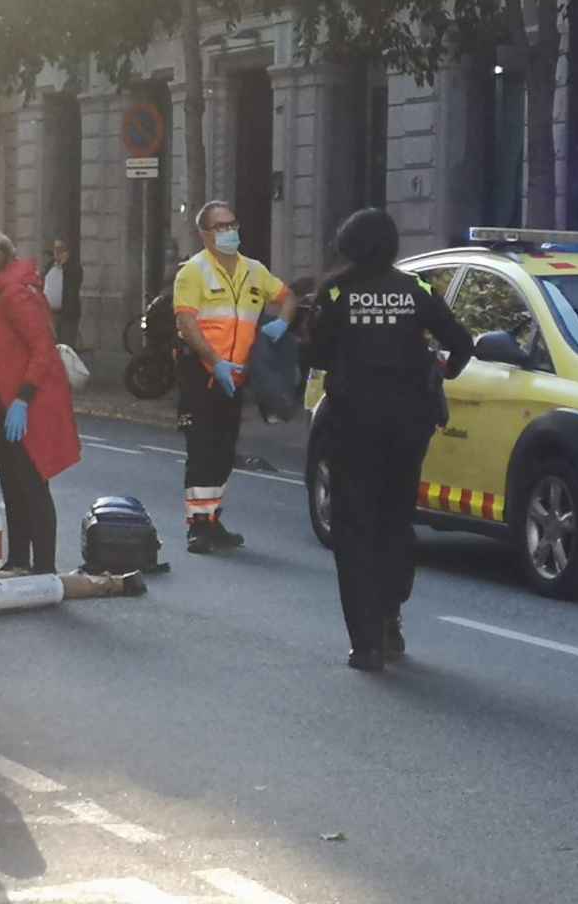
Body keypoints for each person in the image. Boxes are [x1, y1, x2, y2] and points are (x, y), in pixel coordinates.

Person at [309, 209, 473, 671]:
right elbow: (461, 344)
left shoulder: (336, 292)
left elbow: (317, 352)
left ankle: (366, 644)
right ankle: (390, 616)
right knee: (395, 521)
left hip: (352, 425)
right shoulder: (415, 290)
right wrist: (434, 370)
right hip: (407, 424)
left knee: (354, 527)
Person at [173, 200, 297, 554]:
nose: (229, 232)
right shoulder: (193, 272)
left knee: (225, 452)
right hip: (201, 375)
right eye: (220, 227)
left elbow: (288, 297)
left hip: (237, 378)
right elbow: (187, 323)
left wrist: (282, 323)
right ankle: (197, 526)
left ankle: (212, 520)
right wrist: (215, 361)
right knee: (201, 451)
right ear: (204, 234)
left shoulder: (254, 271)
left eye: (232, 224)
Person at [0, 222, 80, 574]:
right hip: (5, 399)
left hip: (26, 402)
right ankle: (18, 559)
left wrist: (23, 399)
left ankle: (43, 567)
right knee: (12, 483)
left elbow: (42, 349)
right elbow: (3, 348)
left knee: (32, 484)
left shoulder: (15, 294)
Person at [44, 238, 83, 348]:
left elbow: (74, 282)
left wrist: (64, 264)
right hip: (50, 314)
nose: (56, 252)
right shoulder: (50, 265)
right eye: (55, 249)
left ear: (67, 252)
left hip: (67, 314)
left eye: (60, 249)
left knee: (66, 348)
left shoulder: (73, 267)